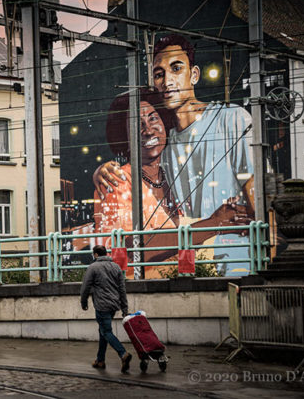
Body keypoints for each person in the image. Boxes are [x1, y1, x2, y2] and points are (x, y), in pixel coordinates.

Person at [94, 34, 256, 275]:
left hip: (239, 265)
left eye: (176, 68)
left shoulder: (232, 119)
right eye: (159, 74)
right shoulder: (161, 146)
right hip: (189, 272)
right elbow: (125, 249)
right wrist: (102, 170)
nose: (168, 80)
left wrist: (268, 258)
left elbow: (258, 202)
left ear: (194, 74)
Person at [80, 244, 132, 372]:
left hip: (102, 305)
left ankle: (123, 354)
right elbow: (122, 289)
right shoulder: (116, 267)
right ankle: (100, 360)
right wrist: (125, 308)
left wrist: (83, 302)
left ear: (96, 255)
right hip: (114, 305)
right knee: (103, 331)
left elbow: (85, 287)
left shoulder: (93, 267)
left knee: (106, 332)